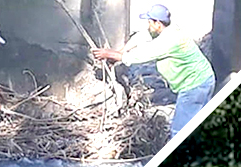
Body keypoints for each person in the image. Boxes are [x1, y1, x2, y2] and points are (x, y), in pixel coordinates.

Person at [92, 4, 216, 138]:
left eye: (149, 22)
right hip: (203, 78)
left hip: (195, 85)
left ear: (158, 23)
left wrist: (108, 54)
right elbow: (141, 37)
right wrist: (120, 51)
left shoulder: (167, 41)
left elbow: (137, 56)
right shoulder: (169, 29)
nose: (148, 25)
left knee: (179, 130)